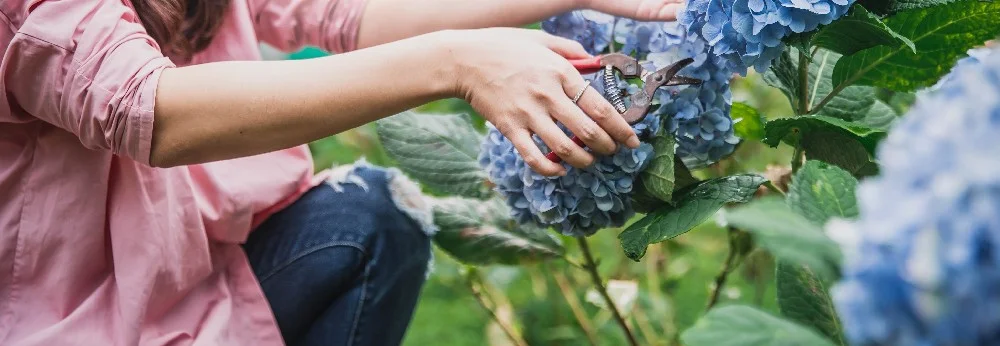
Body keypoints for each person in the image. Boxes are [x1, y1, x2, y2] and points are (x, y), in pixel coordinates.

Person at [0, 0, 682, 345]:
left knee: (377, 218)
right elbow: (146, 111)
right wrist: (455, 65)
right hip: (83, 325)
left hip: (199, 281)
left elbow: (345, 12)